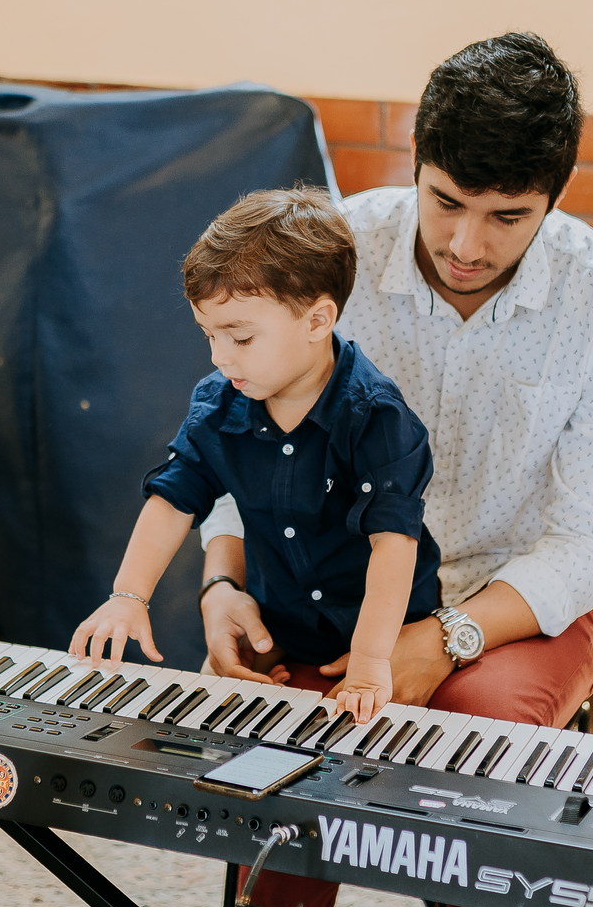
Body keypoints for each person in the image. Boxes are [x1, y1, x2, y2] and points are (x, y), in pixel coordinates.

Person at [192, 31, 593, 907]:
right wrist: (219, 575)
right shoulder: (329, 249)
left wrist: (442, 639)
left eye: (505, 216)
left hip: (512, 603)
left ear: (555, 198)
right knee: (281, 735)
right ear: (415, 163)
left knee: (480, 744)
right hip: (330, 577)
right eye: (447, 201)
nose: (464, 244)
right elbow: (229, 421)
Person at [70, 187, 443, 729]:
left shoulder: (376, 418)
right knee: (201, 726)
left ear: (318, 321)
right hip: (282, 622)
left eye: (240, 337)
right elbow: (174, 498)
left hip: (391, 628)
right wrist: (129, 595)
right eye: (209, 336)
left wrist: (368, 663)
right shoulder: (219, 405)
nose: (220, 358)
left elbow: (394, 544)